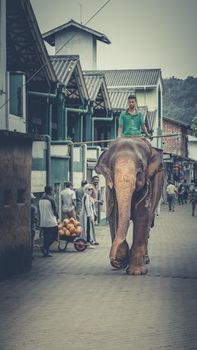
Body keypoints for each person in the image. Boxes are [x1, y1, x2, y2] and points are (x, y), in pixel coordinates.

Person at [39, 186, 59, 257]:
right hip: (51, 221)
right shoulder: (51, 200)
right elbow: (55, 210)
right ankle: (45, 246)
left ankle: (46, 252)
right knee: (55, 235)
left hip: (43, 221)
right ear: (50, 191)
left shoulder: (40, 200)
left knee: (46, 237)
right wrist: (57, 217)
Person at [31, 193, 37, 258]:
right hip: (32, 226)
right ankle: (31, 255)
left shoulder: (27, 207)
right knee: (32, 241)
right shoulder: (33, 208)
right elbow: (35, 218)